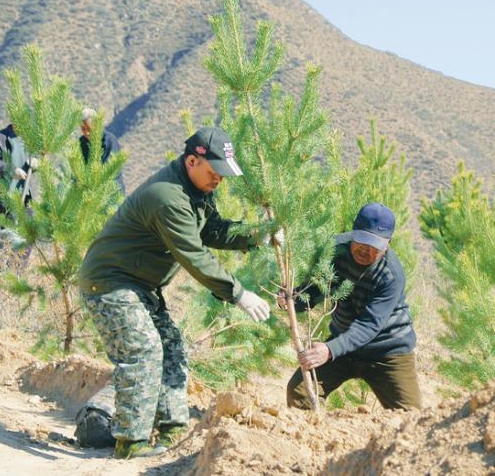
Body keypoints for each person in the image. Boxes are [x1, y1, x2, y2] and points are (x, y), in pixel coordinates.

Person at [79, 126, 275, 458]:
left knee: (171, 348)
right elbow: (194, 255)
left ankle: (170, 430)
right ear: (191, 162)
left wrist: (257, 235)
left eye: (223, 175)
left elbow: (211, 229)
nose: (219, 181)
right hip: (110, 282)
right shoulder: (168, 197)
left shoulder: (197, 190)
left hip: (139, 284)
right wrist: (239, 294)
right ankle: (130, 441)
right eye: (215, 172)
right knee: (143, 349)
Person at [283, 203, 421, 411]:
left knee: (411, 417)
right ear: (353, 234)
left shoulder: (390, 274)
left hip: (387, 351)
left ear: (388, 244)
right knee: (299, 393)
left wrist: (329, 350)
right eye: (361, 241)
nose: (364, 250)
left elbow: (369, 325)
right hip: (344, 347)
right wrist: (291, 300)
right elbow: (314, 292)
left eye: (373, 246)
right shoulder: (335, 251)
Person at [0, 123, 37, 251]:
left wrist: (36, 161)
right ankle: (5, 266)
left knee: (29, 232)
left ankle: (19, 268)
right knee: (11, 235)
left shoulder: (28, 140)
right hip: (6, 194)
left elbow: (37, 154)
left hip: (25, 193)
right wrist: (10, 170)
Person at [79, 108, 124, 193]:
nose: (86, 133)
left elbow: (108, 171)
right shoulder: (81, 143)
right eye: (83, 129)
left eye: (89, 128)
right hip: (89, 196)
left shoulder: (109, 141)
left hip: (112, 194)